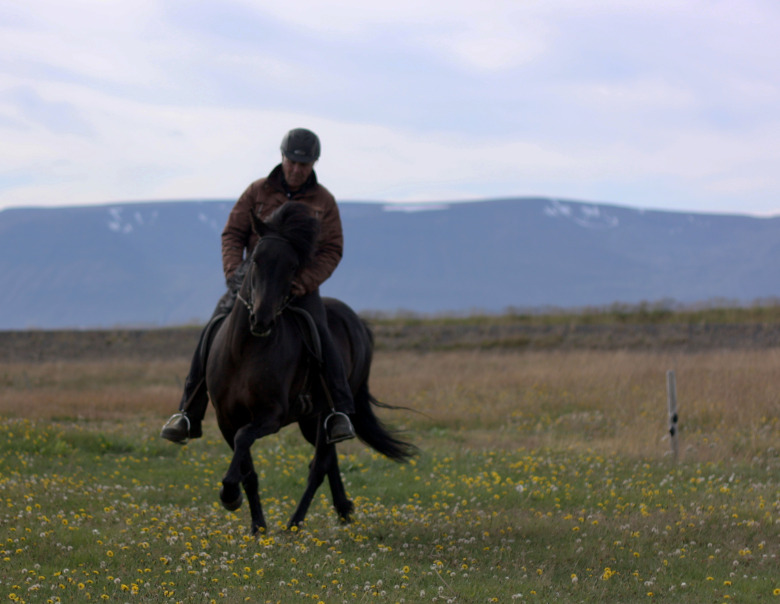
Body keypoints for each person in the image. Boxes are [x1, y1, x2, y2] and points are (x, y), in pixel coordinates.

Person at [161, 128, 356, 445]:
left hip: (296, 287)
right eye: (292, 162)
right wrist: (235, 273)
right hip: (253, 284)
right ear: (282, 158)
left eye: (303, 165)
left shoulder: (324, 202)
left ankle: (339, 413)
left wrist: (304, 282)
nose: (296, 169)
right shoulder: (257, 191)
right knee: (212, 330)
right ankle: (187, 414)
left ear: (314, 165)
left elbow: (332, 250)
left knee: (321, 334)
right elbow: (232, 234)